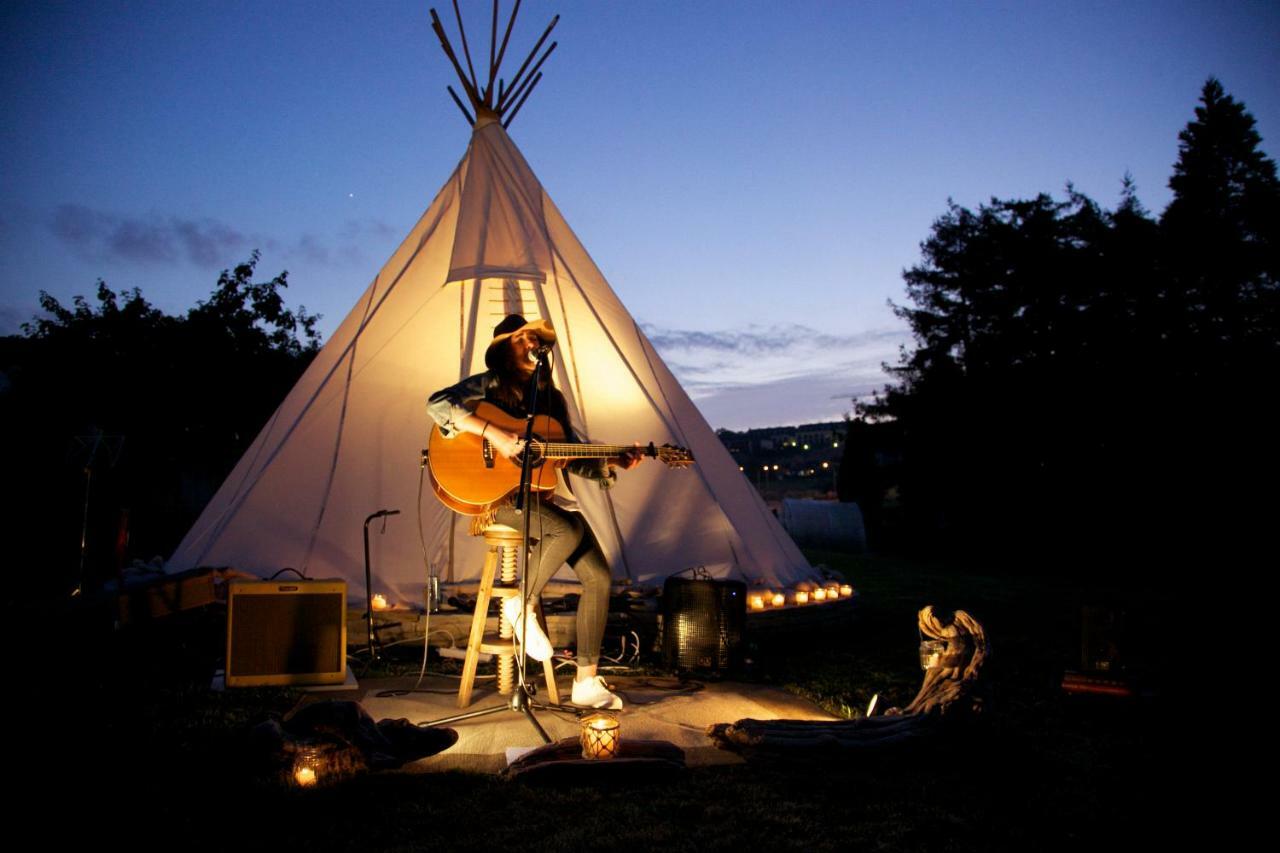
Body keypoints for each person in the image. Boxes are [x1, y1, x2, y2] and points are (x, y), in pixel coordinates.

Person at [427, 314, 642, 710]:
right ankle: (520, 604)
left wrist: (611, 461)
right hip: (499, 500)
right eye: (522, 338)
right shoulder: (490, 384)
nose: (530, 344)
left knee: (598, 576)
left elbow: (571, 456)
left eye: (534, 339)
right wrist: (495, 434)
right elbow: (438, 405)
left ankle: (586, 682)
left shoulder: (552, 400)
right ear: (506, 348)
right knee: (567, 532)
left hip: (545, 500)